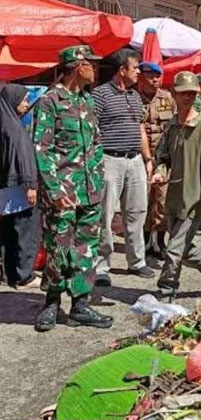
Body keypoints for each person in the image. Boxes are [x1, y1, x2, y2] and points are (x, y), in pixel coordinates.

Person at [33, 45, 113, 331]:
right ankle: (51, 303)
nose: (96, 69)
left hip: (90, 189)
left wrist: (99, 179)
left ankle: (80, 303)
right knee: (58, 248)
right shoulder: (51, 101)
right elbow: (42, 149)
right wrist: (55, 191)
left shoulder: (88, 101)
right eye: (92, 64)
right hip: (64, 193)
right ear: (79, 66)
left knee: (86, 248)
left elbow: (96, 145)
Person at [151, 72, 201, 297]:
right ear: (174, 94)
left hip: (197, 196)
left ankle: (167, 289)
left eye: (192, 93)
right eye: (183, 93)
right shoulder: (172, 126)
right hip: (175, 195)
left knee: (174, 249)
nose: (188, 97)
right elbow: (163, 157)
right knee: (180, 245)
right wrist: (159, 173)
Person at [93, 48, 154, 286]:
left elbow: (140, 129)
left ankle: (137, 261)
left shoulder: (135, 96)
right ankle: (102, 265)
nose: (139, 72)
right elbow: (92, 129)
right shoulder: (100, 95)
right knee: (105, 215)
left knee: (137, 212)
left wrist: (147, 159)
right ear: (122, 70)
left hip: (134, 160)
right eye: (136, 68)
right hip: (110, 160)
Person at [0, 84, 39, 288]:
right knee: (25, 231)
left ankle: (10, 274)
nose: (26, 104)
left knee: (8, 233)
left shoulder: (5, 123)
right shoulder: (15, 129)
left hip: (7, 188)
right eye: (24, 100)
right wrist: (30, 185)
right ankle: (24, 276)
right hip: (20, 189)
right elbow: (23, 158)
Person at [137, 61, 176, 259]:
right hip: (140, 158)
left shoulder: (167, 98)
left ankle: (160, 242)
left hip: (162, 158)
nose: (155, 80)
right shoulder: (134, 98)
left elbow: (176, 125)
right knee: (142, 200)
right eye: (151, 76)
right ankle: (143, 242)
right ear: (141, 77)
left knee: (163, 201)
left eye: (157, 76)